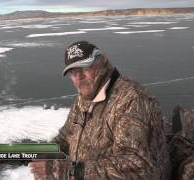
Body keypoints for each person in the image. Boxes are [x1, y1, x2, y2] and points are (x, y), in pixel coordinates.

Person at [29, 41, 172, 179]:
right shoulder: (84, 99)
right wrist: (42, 153)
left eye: (85, 68)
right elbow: (66, 136)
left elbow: (137, 166)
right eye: (73, 72)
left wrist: (68, 171)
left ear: (103, 60)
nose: (79, 77)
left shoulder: (131, 100)